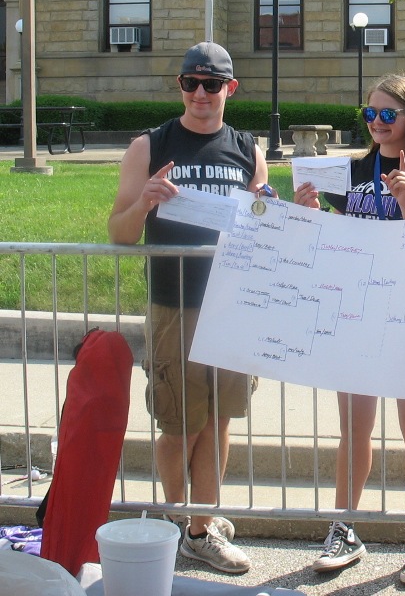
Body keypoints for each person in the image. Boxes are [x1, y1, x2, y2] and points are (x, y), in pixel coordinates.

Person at [107, 41, 271, 575]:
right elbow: (119, 234)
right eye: (190, 83)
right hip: (175, 306)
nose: (200, 93)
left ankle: (201, 522)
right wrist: (145, 200)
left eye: (211, 84)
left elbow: (263, 221)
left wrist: (283, 210)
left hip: (233, 306)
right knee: (181, 424)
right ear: (180, 86)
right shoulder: (149, 146)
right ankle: (187, 525)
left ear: (230, 89)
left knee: (219, 420)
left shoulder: (247, 147)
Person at [294, 72, 405, 585]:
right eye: (370, 113)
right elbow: (334, 236)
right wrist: (309, 212)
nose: (378, 122)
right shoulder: (351, 171)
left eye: (389, 114)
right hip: (356, 311)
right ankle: (344, 528)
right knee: (354, 430)